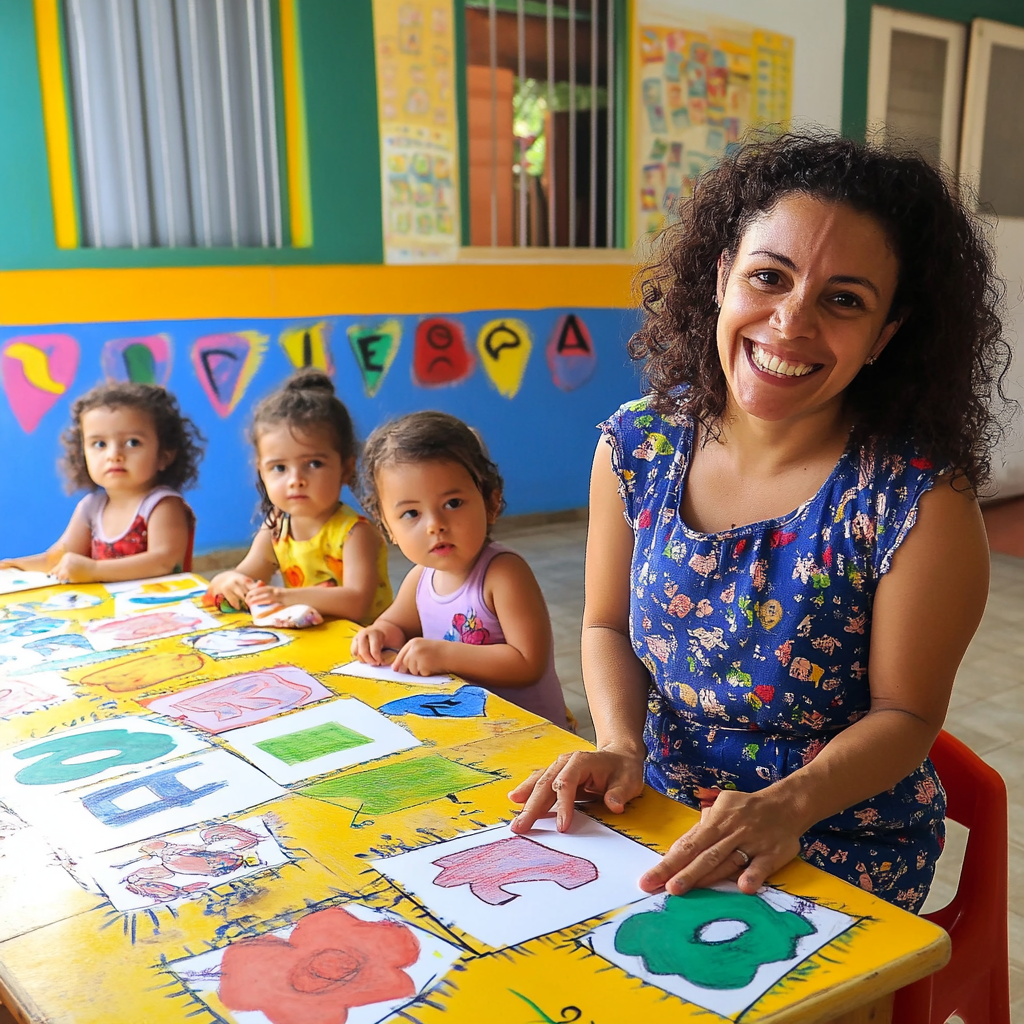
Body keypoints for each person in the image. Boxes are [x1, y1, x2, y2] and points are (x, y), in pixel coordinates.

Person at [509, 131, 1010, 912]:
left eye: (844, 300)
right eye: (768, 277)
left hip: (835, 838)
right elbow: (606, 625)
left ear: (886, 335)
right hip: (662, 806)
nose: (790, 322)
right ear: (721, 278)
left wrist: (787, 806)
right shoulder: (636, 446)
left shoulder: (916, 503)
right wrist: (619, 745)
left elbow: (907, 717)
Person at [351, 411, 570, 729]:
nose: (435, 525)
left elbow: (527, 663)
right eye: (411, 513)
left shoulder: (503, 574)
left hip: (530, 737)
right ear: (388, 529)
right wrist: (378, 634)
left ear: (491, 503)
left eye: (452, 503)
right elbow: (395, 624)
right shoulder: (420, 578)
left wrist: (444, 655)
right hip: (467, 731)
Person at [207, 370, 391, 626]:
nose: (296, 479)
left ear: (346, 468)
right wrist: (227, 580)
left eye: (314, 463)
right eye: (279, 468)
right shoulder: (277, 525)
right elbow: (246, 573)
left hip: (365, 647)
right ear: (261, 469)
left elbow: (356, 602)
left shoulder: (355, 533)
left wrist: (283, 596)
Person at [1, 382, 203, 583]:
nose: (114, 455)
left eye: (133, 442)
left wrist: (94, 569)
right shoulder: (91, 507)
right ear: (82, 453)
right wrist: (14, 566)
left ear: (164, 455)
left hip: (164, 608)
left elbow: (164, 562)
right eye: (99, 444)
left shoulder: (163, 505)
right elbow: (57, 559)